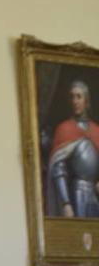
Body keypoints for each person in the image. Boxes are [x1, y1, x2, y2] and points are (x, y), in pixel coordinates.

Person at [47, 80, 99, 218]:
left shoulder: (96, 130)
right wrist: (66, 203)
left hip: (95, 194)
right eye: (72, 97)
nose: (75, 101)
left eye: (79, 96)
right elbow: (58, 169)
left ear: (86, 100)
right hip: (77, 192)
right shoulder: (64, 129)